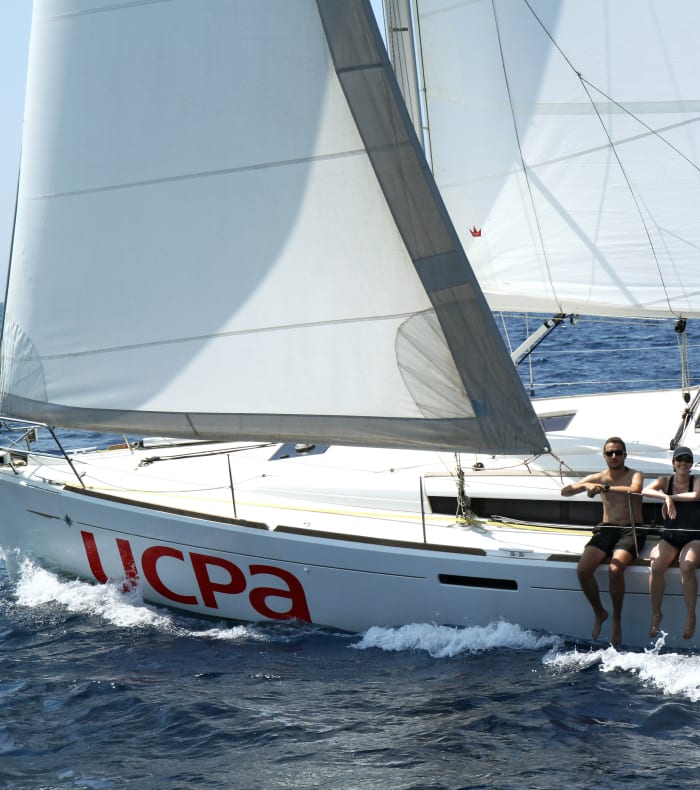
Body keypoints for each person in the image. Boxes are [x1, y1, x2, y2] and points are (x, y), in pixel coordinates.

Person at [561, 437, 644, 647]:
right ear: (604, 456)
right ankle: (600, 612)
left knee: (615, 570)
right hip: (607, 529)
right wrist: (585, 485)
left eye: (618, 452)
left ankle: (617, 618)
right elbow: (565, 491)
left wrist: (604, 488)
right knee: (583, 570)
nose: (614, 456)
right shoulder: (599, 477)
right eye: (609, 453)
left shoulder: (635, 474)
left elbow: (634, 489)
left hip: (631, 529)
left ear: (625, 455)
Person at [642, 446, 700, 640]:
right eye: (679, 459)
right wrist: (665, 496)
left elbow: (695, 496)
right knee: (656, 566)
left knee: (687, 565)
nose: (683, 463)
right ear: (673, 462)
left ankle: (691, 615)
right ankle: (656, 613)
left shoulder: (697, 480)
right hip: (671, 536)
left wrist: (670, 498)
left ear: (691, 464)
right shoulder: (665, 481)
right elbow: (645, 490)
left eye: (687, 460)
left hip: (694, 536)